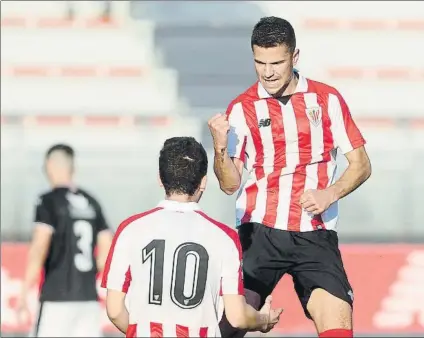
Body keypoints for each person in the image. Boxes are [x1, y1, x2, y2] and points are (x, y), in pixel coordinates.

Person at [209, 16, 372, 338]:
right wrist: (217, 147)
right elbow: (229, 183)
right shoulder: (242, 108)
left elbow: (361, 164)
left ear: (294, 57)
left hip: (314, 233)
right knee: (228, 325)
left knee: (339, 326)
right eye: (260, 62)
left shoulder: (326, 99)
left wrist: (331, 192)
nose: (267, 72)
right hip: (259, 232)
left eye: (276, 62)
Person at [101, 137, 283, 337]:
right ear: (203, 181)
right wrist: (263, 320)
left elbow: (115, 310)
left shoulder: (131, 229)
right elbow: (237, 316)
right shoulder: (224, 237)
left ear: (160, 179)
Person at [16, 144, 114, 337]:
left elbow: (39, 247)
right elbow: (107, 245)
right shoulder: (91, 201)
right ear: (72, 168)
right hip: (87, 299)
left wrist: (24, 291)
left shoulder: (48, 201)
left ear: (49, 165)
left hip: (56, 298)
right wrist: (91, 272)